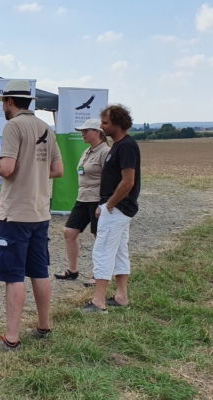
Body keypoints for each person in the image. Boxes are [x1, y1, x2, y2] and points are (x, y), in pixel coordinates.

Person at [0, 80, 63, 351]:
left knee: (13, 275)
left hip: (16, 213)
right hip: (40, 212)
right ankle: (44, 326)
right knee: (40, 271)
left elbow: (7, 168)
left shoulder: (13, 126)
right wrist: (34, 172)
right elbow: (58, 169)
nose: (3, 107)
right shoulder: (45, 128)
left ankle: (11, 339)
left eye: (3, 102)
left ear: (9, 101)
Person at [83, 104, 141, 314]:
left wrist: (108, 205)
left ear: (117, 123)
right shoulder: (119, 145)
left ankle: (98, 301)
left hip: (117, 208)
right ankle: (121, 296)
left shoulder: (125, 146)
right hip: (119, 208)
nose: (102, 126)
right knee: (119, 251)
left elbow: (128, 182)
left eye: (105, 123)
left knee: (103, 250)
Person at [54, 119, 109, 283]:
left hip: (97, 199)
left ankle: (100, 274)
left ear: (98, 132)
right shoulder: (87, 152)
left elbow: (110, 179)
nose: (82, 134)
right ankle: (72, 270)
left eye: (86, 131)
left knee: (98, 236)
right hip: (83, 198)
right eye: (82, 131)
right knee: (69, 232)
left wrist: (104, 203)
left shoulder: (105, 152)